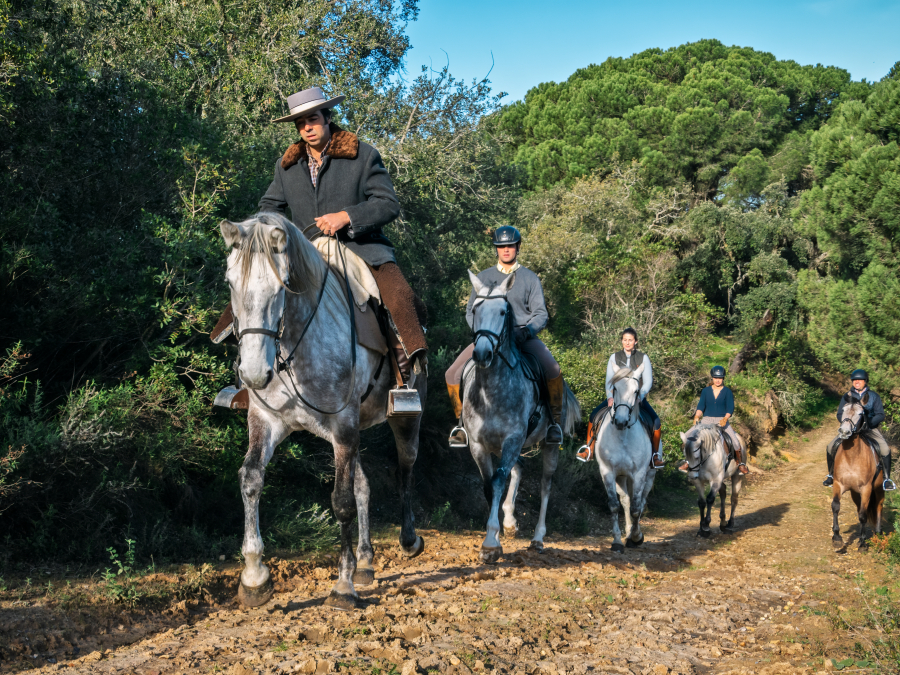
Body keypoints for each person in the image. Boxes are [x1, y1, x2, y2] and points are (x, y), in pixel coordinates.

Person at [210, 86, 427, 405]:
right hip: (304, 251)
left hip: (361, 248)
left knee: (398, 295)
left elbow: (387, 203)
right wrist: (270, 234)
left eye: (312, 119)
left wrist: (346, 216)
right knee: (251, 287)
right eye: (300, 123)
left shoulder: (363, 155)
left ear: (327, 117)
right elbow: (269, 206)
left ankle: (403, 383)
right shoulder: (286, 165)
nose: (307, 127)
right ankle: (244, 379)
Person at [444, 226, 565, 447]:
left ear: (518, 247)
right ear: (496, 249)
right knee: (452, 373)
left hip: (522, 337)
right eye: (501, 246)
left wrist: (527, 331)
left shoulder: (529, 278)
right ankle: (461, 425)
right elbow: (471, 310)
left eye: (510, 246)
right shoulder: (483, 277)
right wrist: (480, 333)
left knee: (553, 370)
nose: (506, 250)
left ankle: (554, 424)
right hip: (488, 339)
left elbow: (540, 313)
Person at [576, 328, 664, 468]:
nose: (627, 343)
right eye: (624, 340)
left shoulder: (643, 358)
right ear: (621, 341)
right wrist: (610, 397)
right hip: (617, 398)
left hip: (636, 398)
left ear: (635, 341)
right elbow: (609, 381)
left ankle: (654, 456)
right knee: (594, 416)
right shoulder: (614, 357)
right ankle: (589, 449)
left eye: (630, 340)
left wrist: (641, 395)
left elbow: (647, 381)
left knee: (656, 421)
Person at [823, 369, 895, 491]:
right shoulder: (847, 396)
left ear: (865, 381)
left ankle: (887, 479)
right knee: (830, 447)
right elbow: (840, 413)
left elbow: (880, 414)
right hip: (850, 430)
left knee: (885, 449)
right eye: (854, 380)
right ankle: (831, 475)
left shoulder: (874, 396)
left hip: (869, 429)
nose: (857, 382)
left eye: (859, 380)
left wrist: (869, 423)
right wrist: (846, 424)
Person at [677, 366, 749, 474]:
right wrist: (697, 416)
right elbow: (701, 406)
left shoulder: (727, 392)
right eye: (715, 377)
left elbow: (730, 408)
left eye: (720, 378)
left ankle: (740, 464)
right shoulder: (705, 391)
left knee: (735, 441)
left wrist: (725, 418)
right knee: (687, 436)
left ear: (723, 378)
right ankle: (688, 462)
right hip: (706, 420)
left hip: (721, 420)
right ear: (712, 378)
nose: (717, 380)